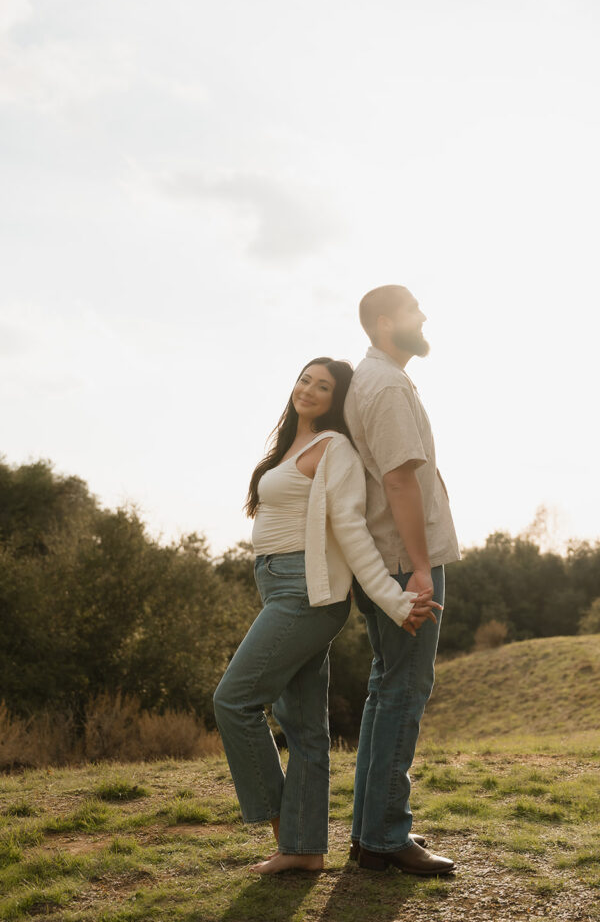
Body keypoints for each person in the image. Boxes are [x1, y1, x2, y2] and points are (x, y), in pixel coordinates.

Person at [213, 356, 439, 875]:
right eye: (305, 379)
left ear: (336, 400)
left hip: (305, 594)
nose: (309, 390)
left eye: (323, 386)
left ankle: (284, 829)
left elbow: (351, 529)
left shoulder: (334, 447)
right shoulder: (288, 448)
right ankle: (305, 851)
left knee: (234, 701)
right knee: (304, 728)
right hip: (278, 586)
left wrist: (393, 600)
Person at [344, 286, 461, 876]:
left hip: (389, 559)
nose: (425, 316)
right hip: (402, 561)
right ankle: (386, 837)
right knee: (405, 690)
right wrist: (419, 565)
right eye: (415, 309)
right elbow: (398, 480)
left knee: (386, 690)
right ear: (386, 322)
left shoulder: (378, 378)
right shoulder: (386, 385)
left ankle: (370, 834)